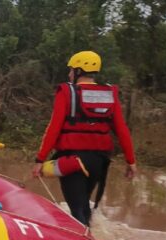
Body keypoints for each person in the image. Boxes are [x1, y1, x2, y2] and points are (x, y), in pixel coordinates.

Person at [32, 50, 136, 226]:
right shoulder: (109, 93)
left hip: (72, 161)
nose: (69, 73)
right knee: (83, 205)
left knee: (77, 210)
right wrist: (131, 161)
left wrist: (39, 159)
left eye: (71, 70)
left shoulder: (66, 91)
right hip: (99, 162)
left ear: (79, 71)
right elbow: (122, 129)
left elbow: (54, 128)